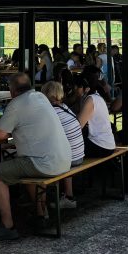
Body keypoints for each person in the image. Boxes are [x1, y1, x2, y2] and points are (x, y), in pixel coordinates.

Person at [0, 73, 72, 241]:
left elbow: (0, 134)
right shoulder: (40, 96)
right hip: (63, 159)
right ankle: (41, 214)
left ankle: (7, 225)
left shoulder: (16, 104)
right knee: (24, 164)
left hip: (43, 163)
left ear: (12, 90)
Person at [42, 81, 83, 209]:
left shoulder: (50, 112)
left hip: (70, 159)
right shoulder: (64, 106)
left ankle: (41, 207)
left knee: (36, 161)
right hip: (79, 155)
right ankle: (68, 196)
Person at [75, 74, 116, 158]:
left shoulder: (90, 99)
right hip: (106, 144)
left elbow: (78, 126)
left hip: (100, 145)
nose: (75, 90)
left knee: (72, 148)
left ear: (85, 88)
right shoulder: (96, 97)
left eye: (77, 87)